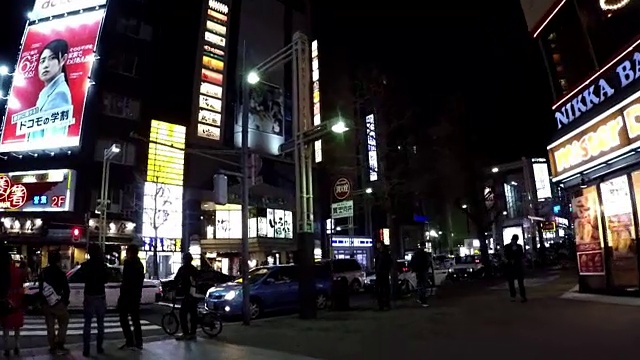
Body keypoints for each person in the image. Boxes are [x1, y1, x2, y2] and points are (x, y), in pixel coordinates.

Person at [28, 38, 72, 142]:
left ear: (63, 59)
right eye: (42, 61)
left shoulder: (59, 93)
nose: (45, 65)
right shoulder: (47, 92)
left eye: (52, 58)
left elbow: (53, 140)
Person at [39, 251, 70, 355]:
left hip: (46, 302)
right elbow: (66, 289)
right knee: (64, 320)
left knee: (50, 325)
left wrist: (42, 302)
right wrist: (65, 302)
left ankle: (52, 345)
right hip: (58, 302)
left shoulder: (43, 272)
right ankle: (60, 342)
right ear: (58, 260)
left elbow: (40, 288)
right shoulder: (60, 273)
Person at [81, 244, 109, 357]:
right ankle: (99, 347)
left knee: (87, 323)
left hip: (89, 295)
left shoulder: (85, 266)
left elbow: (82, 277)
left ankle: (86, 349)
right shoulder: (103, 266)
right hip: (100, 295)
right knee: (100, 323)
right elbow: (106, 279)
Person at [118, 244, 144, 350]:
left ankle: (130, 340)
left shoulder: (128, 264)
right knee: (135, 319)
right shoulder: (140, 265)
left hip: (127, 296)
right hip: (136, 295)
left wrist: (122, 296)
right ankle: (138, 341)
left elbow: (126, 282)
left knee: (123, 318)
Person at [1, 251, 26, 356]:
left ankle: (7, 348)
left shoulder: (3, 272)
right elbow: (22, 286)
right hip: (17, 301)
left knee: (6, 327)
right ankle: (17, 345)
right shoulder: (18, 272)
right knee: (17, 326)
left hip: (6, 301)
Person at [174, 252, 201, 340]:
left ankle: (186, 333)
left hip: (187, 294)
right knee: (193, 314)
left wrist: (173, 287)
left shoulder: (183, 269)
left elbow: (176, 280)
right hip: (194, 294)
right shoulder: (194, 269)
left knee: (183, 314)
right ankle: (193, 333)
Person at [504, 234, 527, 303]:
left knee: (519, 282)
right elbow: (506, 255)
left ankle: (521, 296)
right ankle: (514, 296)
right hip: (511, 265)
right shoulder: (508, 247)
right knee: (512, 282)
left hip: (516, 265)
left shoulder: (519, 247)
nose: (514, 241)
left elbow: (521, 255)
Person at [409, 242, 432, 307]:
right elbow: (428, 262)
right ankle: (423, 300)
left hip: (418, 271)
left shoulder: (416, 254)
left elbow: (412, 262)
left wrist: (414, 269)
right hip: (423, 270)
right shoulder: (424, 254)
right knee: (423, 285)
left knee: (420, 285)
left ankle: (420, 298)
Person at [374, 242, 392, 311]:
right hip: (379, 274)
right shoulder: (378, 254)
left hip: (383, 274)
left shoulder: (385, 254)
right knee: (379, 290)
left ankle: (385, 304)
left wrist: (386, 270)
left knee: (384, 289)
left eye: (378, 244)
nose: (377, 245)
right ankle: (381, 304)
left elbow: (389, 263)